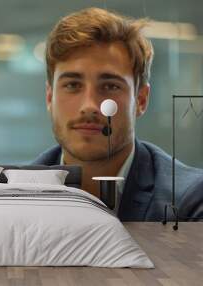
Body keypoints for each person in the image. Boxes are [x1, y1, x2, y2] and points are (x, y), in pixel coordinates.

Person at [32, 7, 203, 221]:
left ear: (141, 100)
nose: (90, 105)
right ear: (50, 97)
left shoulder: (190, 201)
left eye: (110, 86)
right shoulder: (10, 196)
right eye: (73, 85)